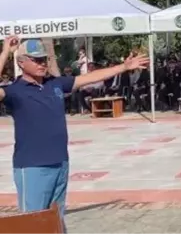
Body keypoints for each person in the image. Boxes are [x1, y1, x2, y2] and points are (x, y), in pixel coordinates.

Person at [0, 36, 149, 230]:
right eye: (36, 60)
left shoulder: (55, 84)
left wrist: (123, 67)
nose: (42, 63)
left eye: (44, 59)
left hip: (60, 162)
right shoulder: (14, 91)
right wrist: (4, 53)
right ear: (21, 62)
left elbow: (91, 77)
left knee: (56, 220)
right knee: (32, 224)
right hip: (32, 166)